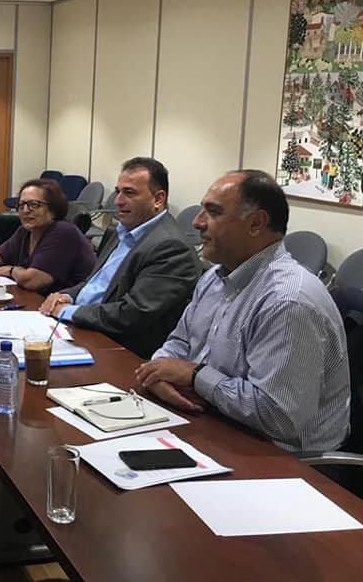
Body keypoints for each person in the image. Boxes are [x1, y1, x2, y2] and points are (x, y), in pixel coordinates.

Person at [135, 170, 350, 454]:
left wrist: (195, 376)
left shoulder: (288, 301)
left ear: (256, 224)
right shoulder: (214, 277)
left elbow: (278, 418)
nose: (197, 222)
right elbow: (180, 342)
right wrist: (158, 374)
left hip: (280, 457)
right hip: (213, 422)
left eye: (213, 212)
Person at [39, 157, 201, 358]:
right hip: (82, 328)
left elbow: (130, 315)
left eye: (129, 193)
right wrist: (66, 296)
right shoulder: (122, 231)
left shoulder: (171, 247)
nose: (118, 201)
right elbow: (92, 284)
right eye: (118, 192)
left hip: (118, 350)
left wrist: (68, 311)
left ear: (158, 199)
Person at [0, 179, 95, 293]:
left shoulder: (63, 232)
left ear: (52, 210)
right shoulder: (25, 231)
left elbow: (32, 281)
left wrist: (11, 271)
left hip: (68, 301)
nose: (25, 210)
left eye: (34, 205)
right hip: (39, 298)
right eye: (21, 205)